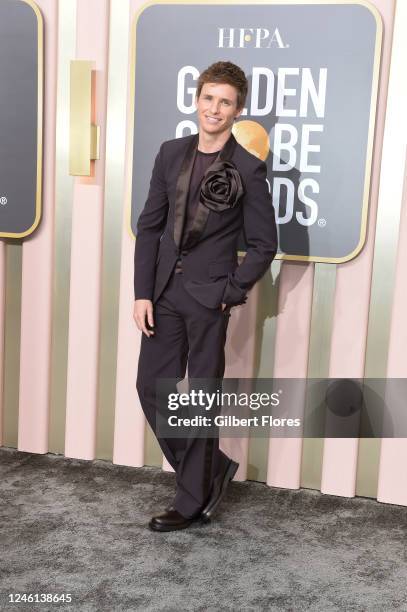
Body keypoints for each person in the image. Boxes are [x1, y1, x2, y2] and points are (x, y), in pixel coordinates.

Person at [133, 61, 278, 532]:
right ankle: (211, 467)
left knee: (199, 397)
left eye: (226, 102)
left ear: (238, 111)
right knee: (151, 387)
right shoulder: (170, 153)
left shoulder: (248, 170)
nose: (215, 108)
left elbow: (263, 244)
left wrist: (230, 293)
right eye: (209, 98)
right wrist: (142, 293)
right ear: (197, 100)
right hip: (163, 294)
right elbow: (150, 227)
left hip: (209, 297)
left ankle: (192, 498)